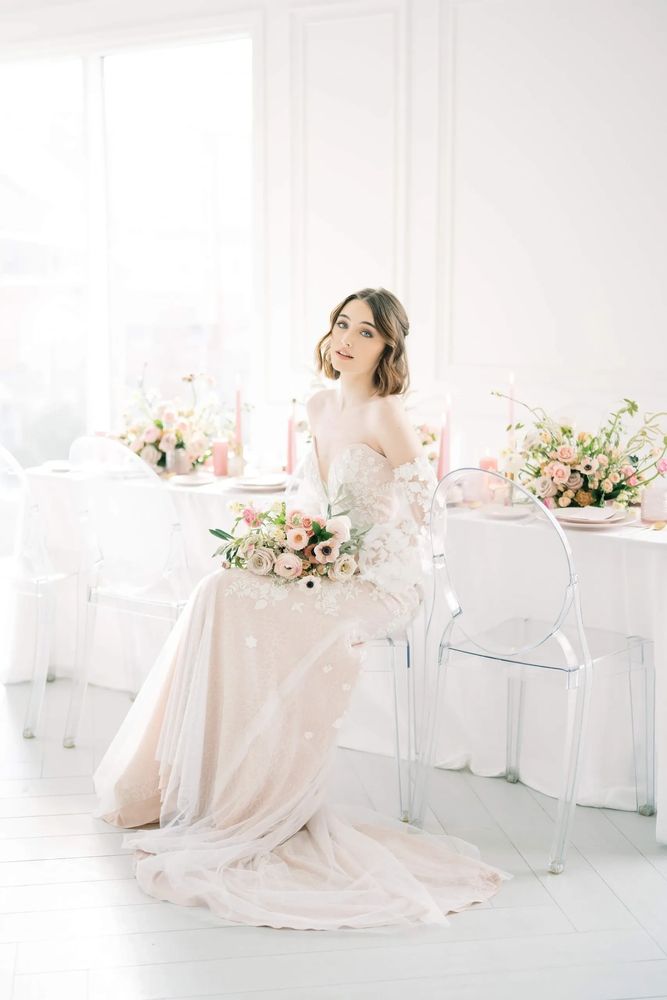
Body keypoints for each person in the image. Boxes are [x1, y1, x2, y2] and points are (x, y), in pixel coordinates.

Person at [92, 287, 508, 930]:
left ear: (387, 347)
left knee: (262, 611)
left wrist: (353, 558)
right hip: (330, 562)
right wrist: (301, 548)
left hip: (382, 581)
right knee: (220, 592)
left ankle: (265, 797)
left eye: (366, 332)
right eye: (343, 325)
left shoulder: (386, 415)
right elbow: (309, 497)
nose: (347, 339)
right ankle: (213, 793)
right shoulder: (317, 405)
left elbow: (427, 512)